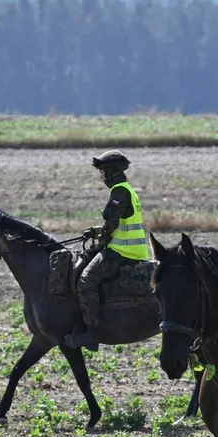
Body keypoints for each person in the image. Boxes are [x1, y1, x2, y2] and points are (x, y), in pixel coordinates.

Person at [65, 150, 150, 352]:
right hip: (134, 251)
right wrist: (95, 231)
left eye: (102, 171)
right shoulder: (127, 190)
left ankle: (92, 334)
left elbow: (111, 227)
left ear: (112, 171)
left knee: (86, 280)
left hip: (121, 252)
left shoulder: (119, 192)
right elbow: (117, 222)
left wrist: (97, 246)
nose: (101, 176)